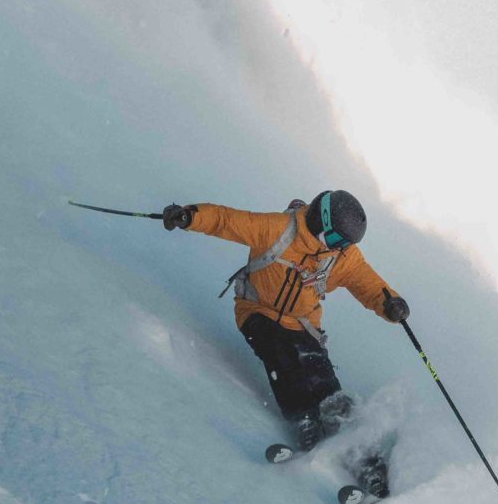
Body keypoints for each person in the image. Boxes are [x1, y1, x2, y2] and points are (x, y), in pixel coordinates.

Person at [162, 189, 410, 454]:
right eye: (336, 238)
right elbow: (227, 220)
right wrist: (188, 216)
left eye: (345, 244)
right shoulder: (277, 229)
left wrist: (390, 304)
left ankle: (360, 454)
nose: (339, 247)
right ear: (319, 221)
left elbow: (368, 283)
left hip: (303, 325)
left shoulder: (341, 256)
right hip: (257, 312)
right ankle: (303, 420)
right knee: (281, 357)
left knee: (322, 378)